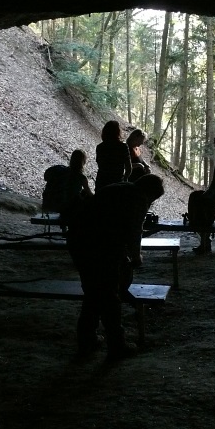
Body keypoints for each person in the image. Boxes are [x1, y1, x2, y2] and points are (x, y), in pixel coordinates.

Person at [66, 173, 165, 361]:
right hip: (101, 245)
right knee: (110, 296)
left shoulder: (118, 186)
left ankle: (87, 339)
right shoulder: (138, 199)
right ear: (150, 194)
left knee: (93, 292)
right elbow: (134, 231)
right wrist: (136, 257)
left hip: (78, 240)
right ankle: (116, 345)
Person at [95, 120, 132, 192]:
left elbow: (100, 165)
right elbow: (129, 168)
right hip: (117, 182)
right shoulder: (123, 147)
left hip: (102, 181)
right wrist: (124, 179)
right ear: (118, 132)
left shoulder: (100, 147)